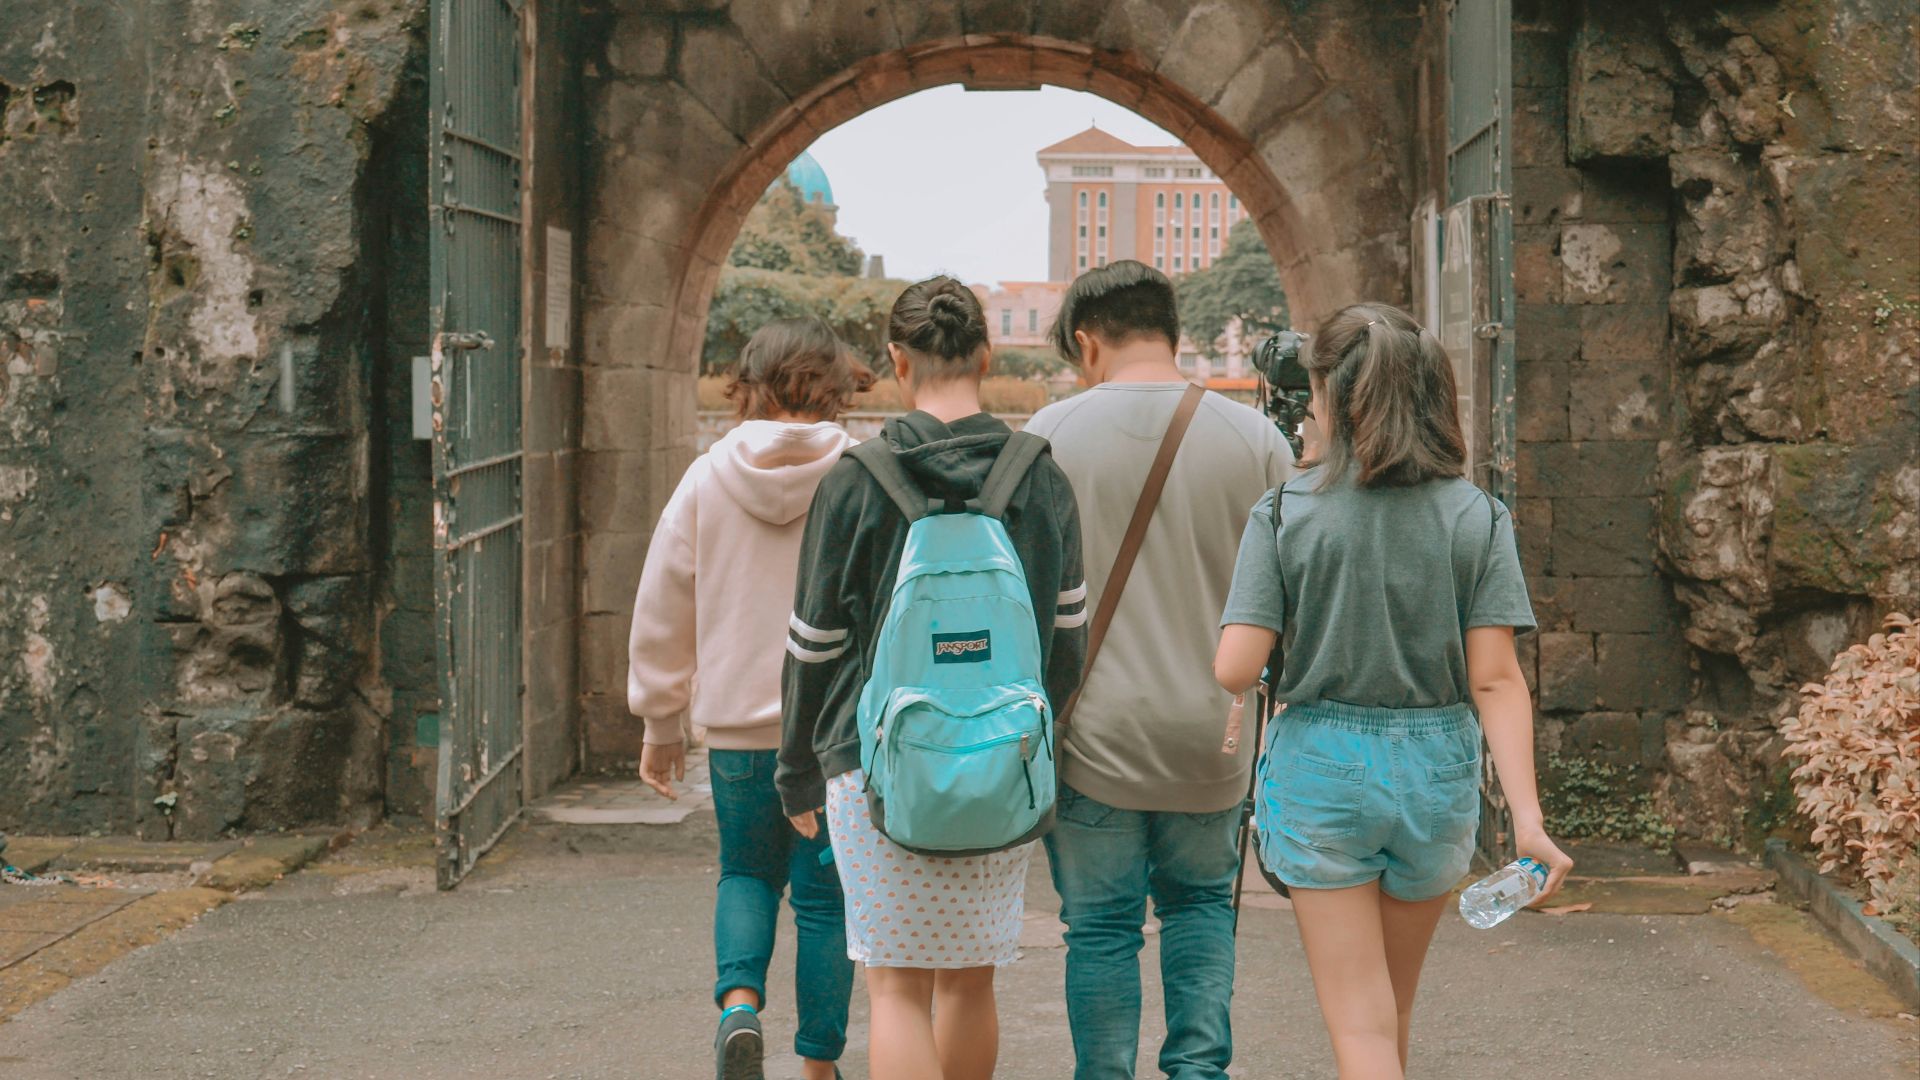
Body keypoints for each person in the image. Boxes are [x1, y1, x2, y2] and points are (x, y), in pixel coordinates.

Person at [1214, 302, 1574, 1079]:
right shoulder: (1477, 516)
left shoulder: (1286, 512)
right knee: (1390, 1011)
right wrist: (1530, 821)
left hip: (1325, 772)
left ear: (1332, 399)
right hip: (1439, 773)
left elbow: (1236, 668)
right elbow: (1496, 678)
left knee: (1361, 1028)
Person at [778, 276, 1087, 1080]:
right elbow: (1067, 639)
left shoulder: (857, 479)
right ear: (986, 354)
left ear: (896, 360)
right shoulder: (1038, 476)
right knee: (971, 982)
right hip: (1003, 757)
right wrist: (1019, 733)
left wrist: (796, 771)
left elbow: (814, 645)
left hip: (873, 763)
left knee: (895, 987)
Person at [1022, 260, 1294, 1080]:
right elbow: (1292, 593)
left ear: (1085, 341)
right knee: (1201, 908)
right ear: (1171, 332)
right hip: (1216, 732)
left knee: (1100, 928)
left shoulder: (1048, 436)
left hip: (1093, 735)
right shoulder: (1257, 440)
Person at [629, 316, 873, 1080]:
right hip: (835, 732)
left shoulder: (708, 476)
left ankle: (738, 1007)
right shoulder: (864, 473)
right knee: (827, 902)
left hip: (738, 728)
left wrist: (660, 719)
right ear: (836, 386)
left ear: (750, 383)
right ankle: (819, 1065)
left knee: (745, 874)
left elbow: (664, 600)